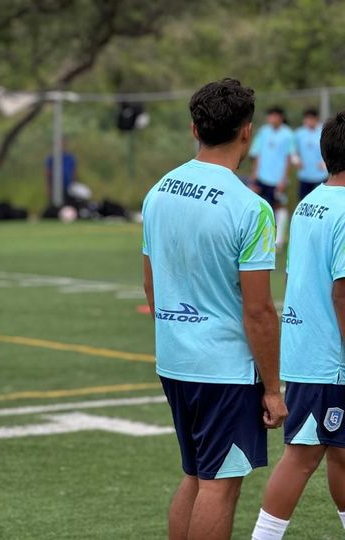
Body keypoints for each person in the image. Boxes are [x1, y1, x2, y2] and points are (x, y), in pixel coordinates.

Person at [142, 79, 288, 540]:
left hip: (175, 359)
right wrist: (272, 388)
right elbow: (260, 310)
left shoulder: (159, 190)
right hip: (223, 367)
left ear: (194, 128)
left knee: (195, 475)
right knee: (219, 486)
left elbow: (150, 283)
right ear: (247, 132)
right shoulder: (252, 207)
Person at [251, 112, 345, 540]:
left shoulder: (311, 202)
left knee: (338, 452)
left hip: (307, 346)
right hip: (331, 357)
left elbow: (295, 274)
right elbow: (342, 293)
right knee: (303, 455)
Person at [249, 106, 295, 249]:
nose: (272, 119)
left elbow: (289, 158)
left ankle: (279, 240)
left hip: (278, 180)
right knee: (260, 206)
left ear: (281, 118)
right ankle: (260, 237)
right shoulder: (263, 132)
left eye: (275, 116)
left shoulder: (288, 134)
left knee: (279, 206)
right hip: (262, 177)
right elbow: (256, 154)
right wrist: (254, 174)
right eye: (270, 116)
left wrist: (283, 179)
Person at [293, 108, 328, 201]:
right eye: (307, 118)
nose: (309, 121)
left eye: (311, 118)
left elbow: (330, 148)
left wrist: (325, 162)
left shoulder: (324, 131)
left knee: (320, 200)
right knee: (304, 200)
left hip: (320, 175)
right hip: (304, 174)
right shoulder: (298, 133)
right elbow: (293, 150)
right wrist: (296, 160)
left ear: (316, 119)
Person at [45, 139, 77, 206]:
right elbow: (48, 173)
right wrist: (49, 187)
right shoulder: (52, 157)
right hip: (55, 186)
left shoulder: (70, 157)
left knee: (68, 205)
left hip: (68, 186)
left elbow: (73, 172)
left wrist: (74, 185)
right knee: (55, 205)